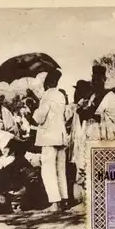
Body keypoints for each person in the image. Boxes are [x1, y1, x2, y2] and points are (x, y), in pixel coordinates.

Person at [33, 69, 69, 212]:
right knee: (61, 169)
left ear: (47, 83)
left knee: (48, 170)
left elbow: (39, 118)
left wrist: (35, 107)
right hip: (60, 136)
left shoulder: (47, 96)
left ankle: (55, 202)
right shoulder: (61, 95)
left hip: (48, 137)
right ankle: (64, 199)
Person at [82, 65, 115, 141]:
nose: (95, 82)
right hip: (93, 135)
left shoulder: (110, 96)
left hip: (106, 137)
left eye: (98, 80)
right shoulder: (93, 96)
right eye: (93, 80)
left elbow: (114, 119)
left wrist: (91, 114)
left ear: (104, 80)